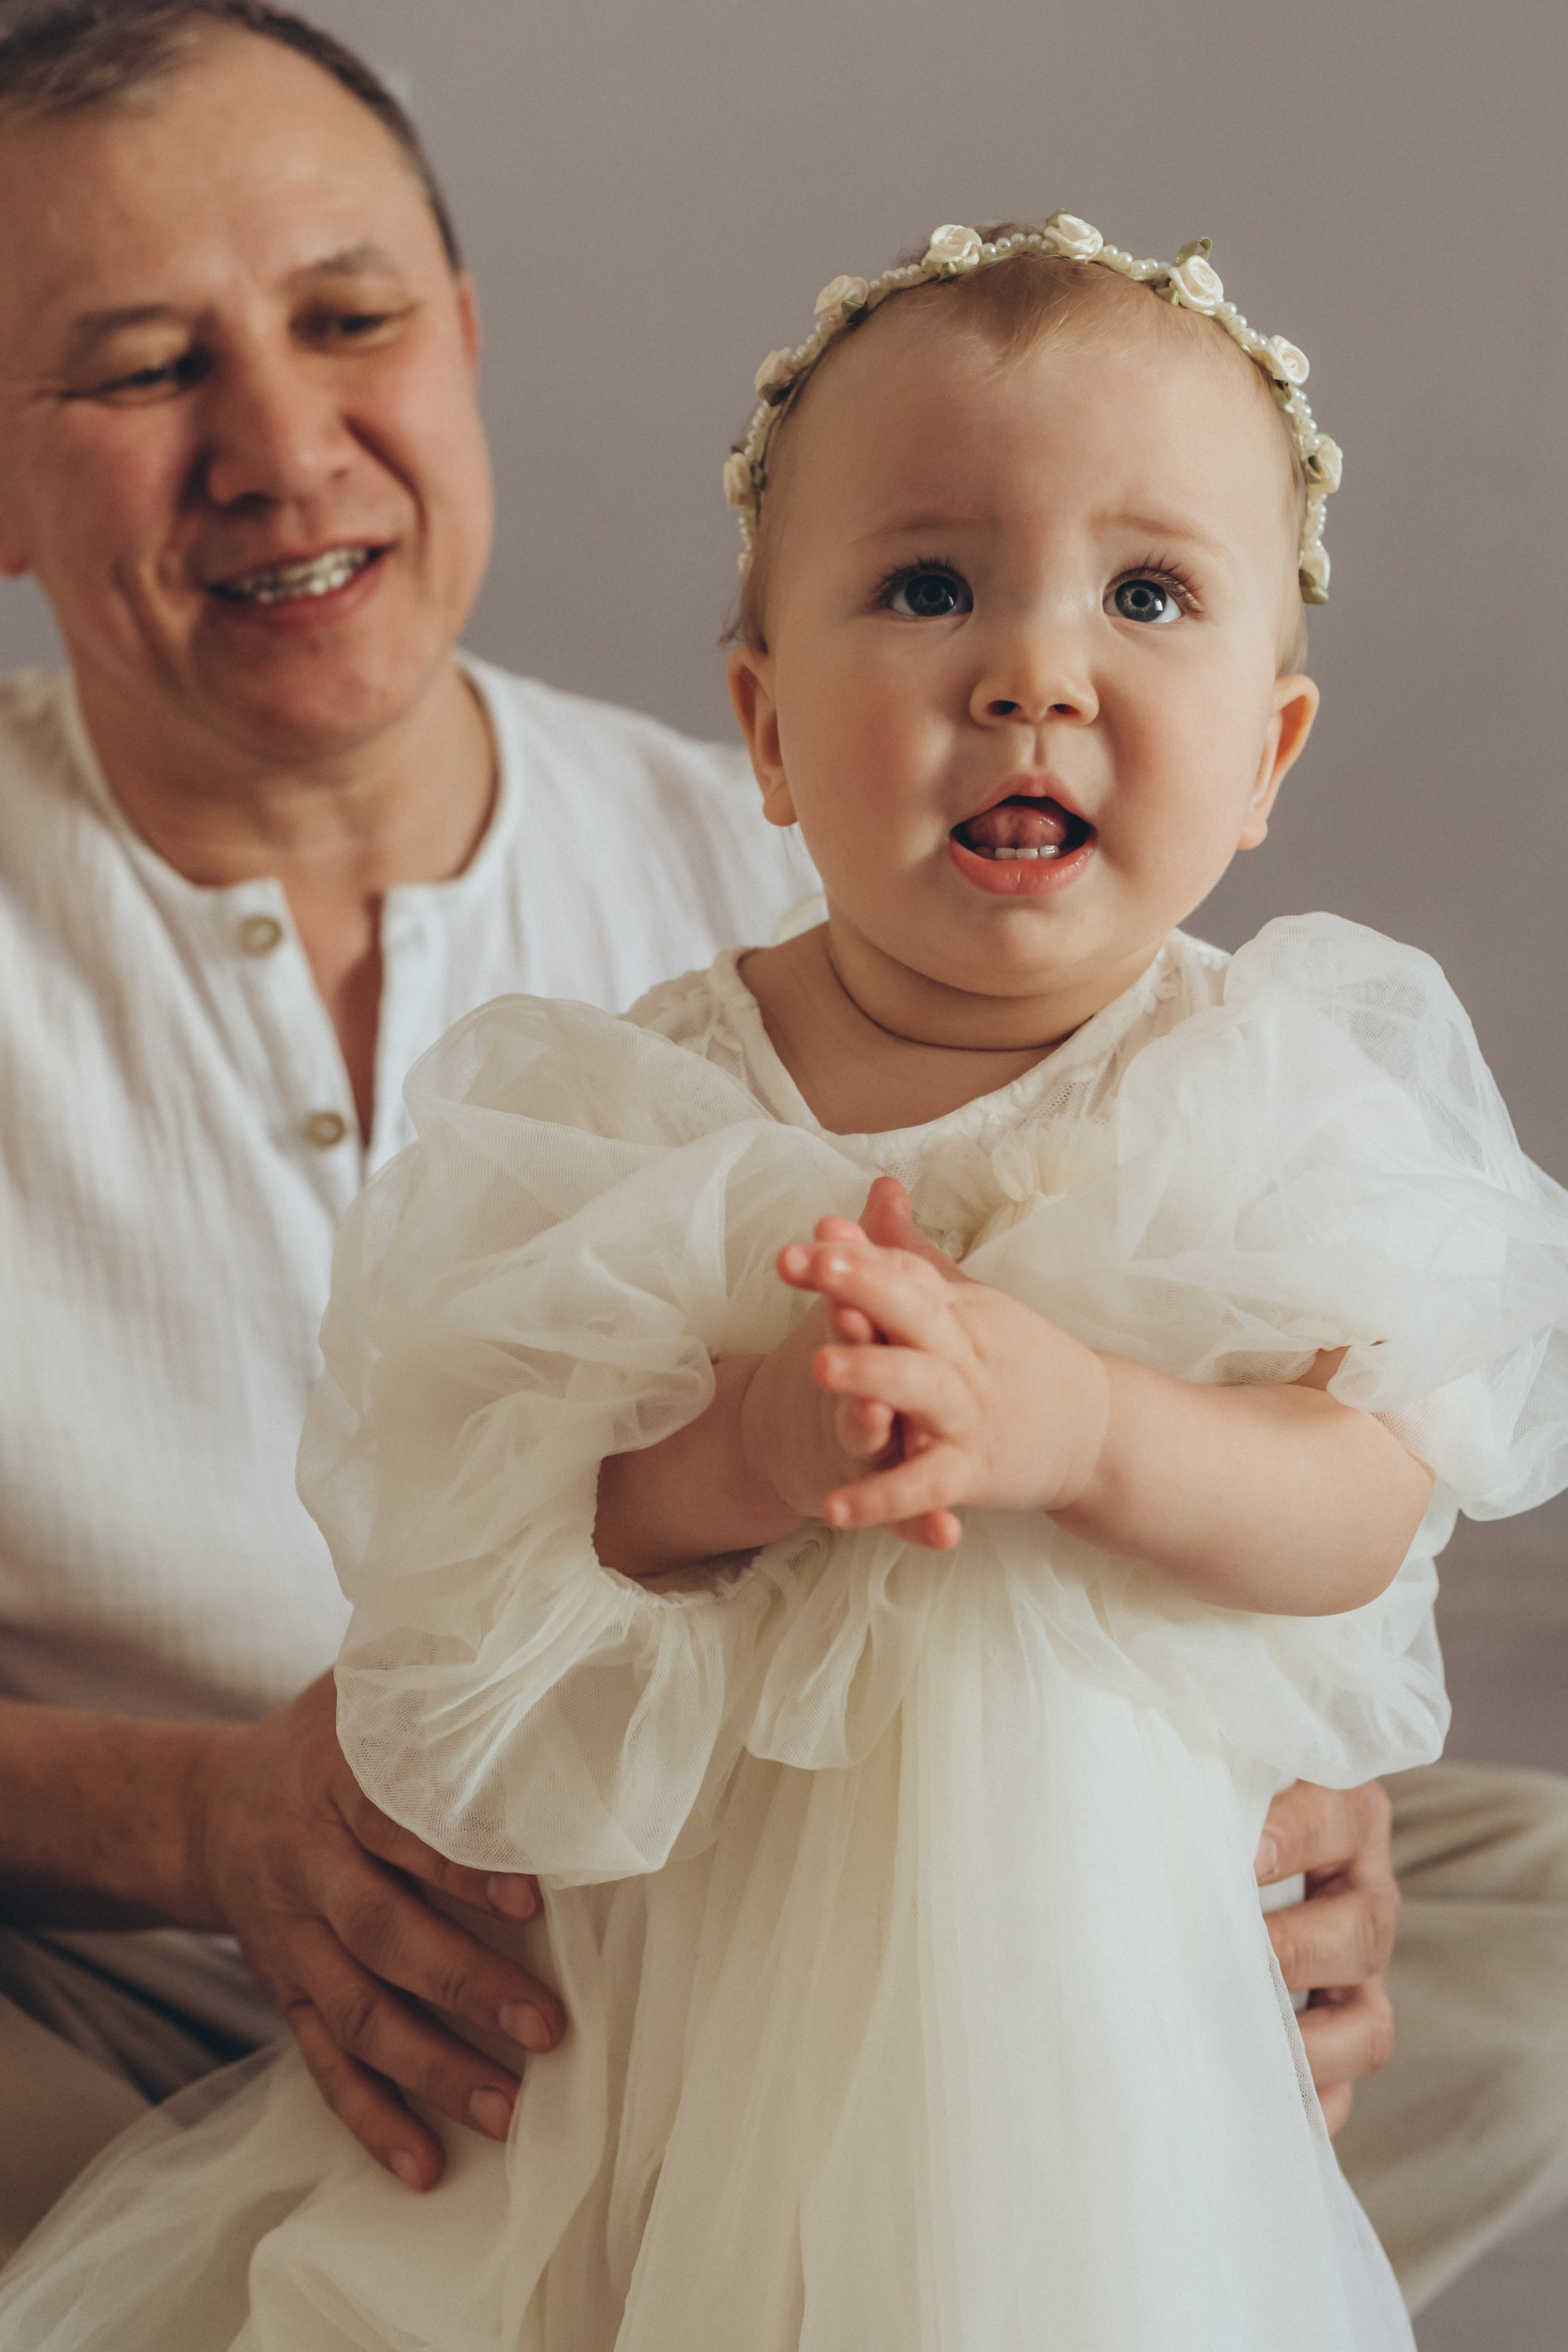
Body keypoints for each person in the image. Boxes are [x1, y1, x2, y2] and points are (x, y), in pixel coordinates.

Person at [0, 3, 1561, 2324]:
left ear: (461, 332)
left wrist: (1281, 1802)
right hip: (180, 1946)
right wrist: (194, 1823)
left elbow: (1347, 1492)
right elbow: (573, 1512)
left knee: (1507, 1908)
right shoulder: (695, 1036)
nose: (282, 443)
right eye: (140, 369)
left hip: (929, 1871)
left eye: (350, 321)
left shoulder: (831, 851)